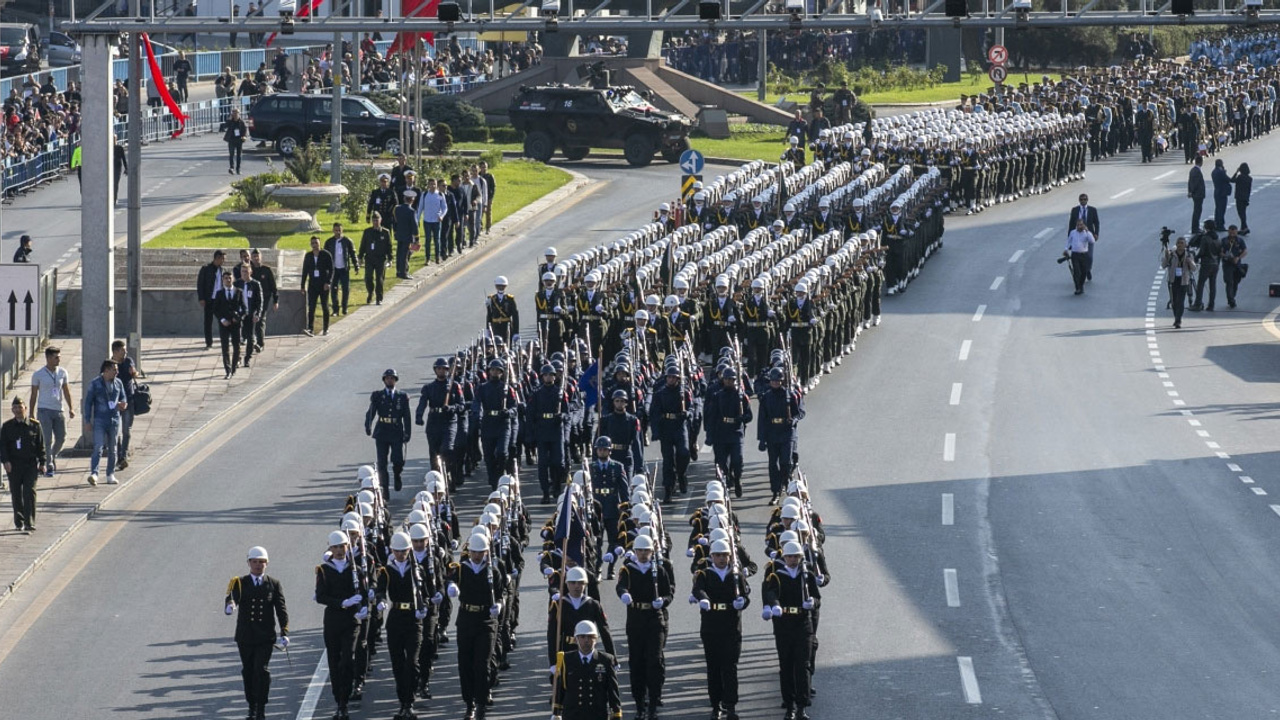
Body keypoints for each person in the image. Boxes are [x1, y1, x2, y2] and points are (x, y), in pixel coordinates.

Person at [446, 533, 509, 720]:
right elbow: (448, 579)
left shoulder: (493, 571)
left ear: (486, 552)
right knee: (465, 663)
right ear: (469, 551)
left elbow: (501, 592)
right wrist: (450, 586)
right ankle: (469, 703)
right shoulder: (461, 569)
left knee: (482, 664)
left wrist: (499, 604)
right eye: (474, 552)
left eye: (481, 552)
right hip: (466, 619)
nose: (477, 556)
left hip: (486, 621)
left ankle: (481, 702)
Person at [224, 546, 289, 720]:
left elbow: (280, 609)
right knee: (248, 671)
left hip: (265, 636)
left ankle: (261, 708)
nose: (258, 565)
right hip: (245, 636)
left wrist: (284, 631)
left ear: (267, 563)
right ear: (248, 563)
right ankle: (251, 706)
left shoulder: (273, 584)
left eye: (261, 562)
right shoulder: (240, 582)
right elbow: (231, 597)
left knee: (261, 670)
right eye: (254, 562)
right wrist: (230, 605)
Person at [614, 533, 675, 720]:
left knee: (654, 661)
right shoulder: (628, 570)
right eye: (639, 550)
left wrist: (663, 601)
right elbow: (621, 586)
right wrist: (623, 593)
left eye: (646, 550)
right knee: (637, 662)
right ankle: (640, 703)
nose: (642, 554)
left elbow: (669, 592)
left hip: (654, 618)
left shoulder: (659, 570)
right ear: (635, 551)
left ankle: (654, 702)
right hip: (636, 619)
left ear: (652, 551)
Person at [762, 542, 822, 720]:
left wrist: (812, 602)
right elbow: (770, 593)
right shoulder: (777, 576)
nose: (793, 560)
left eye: (796, 556)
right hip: (784, 624)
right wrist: (774, 605)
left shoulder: (807, 575)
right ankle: (789, 706)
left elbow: (817, 597)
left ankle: (802, 706)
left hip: (803, 623)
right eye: (790, 557)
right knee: (786, 666)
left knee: (802, 666)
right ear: (784, 558)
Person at [692, 538, 751, 720]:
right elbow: (697, 589)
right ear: (711, 556)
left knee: (730, 667)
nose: (722, 558)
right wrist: (703, 598)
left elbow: (745, 594)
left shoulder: (736, 575)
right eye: (718, 555)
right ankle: (716, 705)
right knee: (714, 668)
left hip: (731, 625)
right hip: (711, 625)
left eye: (725, 555)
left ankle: (730, 705)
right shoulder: (705, 574)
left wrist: (743, 602)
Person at [316, 530, 370, 720]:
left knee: (347, 660)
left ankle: (345, 699)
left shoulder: (357, 569)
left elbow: (364, 593)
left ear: (348, 547)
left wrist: (363, 607)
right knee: (334, 661)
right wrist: (341, 602)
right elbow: (321, 596)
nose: (340, 550)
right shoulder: (323, 570)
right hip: (333, 620)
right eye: (336, 547)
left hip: (351, 621)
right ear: (330, 548)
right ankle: (339, 702)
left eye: (343, 546)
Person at [374, 531, 428, 720]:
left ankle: (410, 700)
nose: (400, 554)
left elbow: (426, 592)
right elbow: (380, 590)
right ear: (392, 551)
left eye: (404, 551)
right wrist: (380, 601)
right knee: (398, 664)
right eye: (397, 551)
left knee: (412, 663)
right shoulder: (386, 571)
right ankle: (403, 703)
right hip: (396, 618)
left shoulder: (417, 569)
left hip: (414, 619)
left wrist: (425, 607)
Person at [552, 620, 623, 720]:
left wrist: (616, 713)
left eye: (590, 637)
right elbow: (560, 689)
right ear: (576, 639)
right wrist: (556, 712)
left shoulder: (606, 660)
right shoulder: (565, 659)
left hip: (596, 714)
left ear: (596, 639)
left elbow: (612, 690)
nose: (586, 640)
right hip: (572, 714)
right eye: (582, 637)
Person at [756, 368, 803, 504]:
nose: (775, 383)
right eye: (773, 381)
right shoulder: (766, 397)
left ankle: (785, 482)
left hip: (786, 432)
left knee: (785, 462)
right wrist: (761, 439)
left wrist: (793, 420)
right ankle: (775, 491)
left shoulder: (790, 396)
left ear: (782, 381)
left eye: (778, 381)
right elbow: (762, 420)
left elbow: (799, 413)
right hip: (772, 433)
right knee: (772, 465)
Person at [1, 397, 45, 533]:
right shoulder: (7, 427)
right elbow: (3, 447)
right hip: (14, 465)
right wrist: (5, 461)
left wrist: (43, 462)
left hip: (30, 464)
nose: (18, 410)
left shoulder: (35, 425)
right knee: (16, 494)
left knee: (29, 492)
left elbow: (41, 445)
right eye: (15, 408)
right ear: (12, 410)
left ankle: (29, 522)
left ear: (25, 409)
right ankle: (19, 521)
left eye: (20, 407)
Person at [365, 368, 412, 494]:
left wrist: (407, 433)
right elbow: (371, 412)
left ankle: (397, 475)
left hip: (396, 431)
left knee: (397, 460)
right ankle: (384, 488)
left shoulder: (402, 396)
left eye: (392, 378)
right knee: (382, 462)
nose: (389, 380)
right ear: (384, 380)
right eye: (387, 378)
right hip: (382, 431)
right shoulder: (378, 396)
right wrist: (368, 425)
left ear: (395, 380)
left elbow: (406, 416)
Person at [29, 346, 74, 478]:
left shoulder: (62, 372)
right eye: (56, 357)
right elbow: (33, 395)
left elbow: (66, 391)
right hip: (44, 410)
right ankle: (49, 465)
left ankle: (51, 456)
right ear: (48, 358)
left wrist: (71, 407)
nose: (59, 360)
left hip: (58, 410)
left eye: (59, 357)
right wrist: (31, 413)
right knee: (47, 439)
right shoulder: (38, 374)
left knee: (61, 437)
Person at [82, 359, 127, 486]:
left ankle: (110, 474)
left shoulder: (118, 383)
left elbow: (123, 397)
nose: (116, 372)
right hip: (100, 419)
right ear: (106, 370)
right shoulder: (95, 383)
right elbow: (88, 403)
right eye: (114, 369)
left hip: (114, 419)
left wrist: (123, 404)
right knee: (98, 447)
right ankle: (94, 473)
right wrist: (87, 420)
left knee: (113, 448)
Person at [212, 271, 246, 378]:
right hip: (224, 324)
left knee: (236, 346)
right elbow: (215, 309)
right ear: (222, 280)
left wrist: (239, 317)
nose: (228, 280)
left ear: (233, 279)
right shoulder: (219, 293)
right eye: (226, 278)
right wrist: (222, 319)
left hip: (235, 324)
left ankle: (234, 367)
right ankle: (227, 369)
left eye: (230, 278)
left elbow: (244, 308)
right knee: (225, 347)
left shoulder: (239, 291)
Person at [110, 340, 137, 469]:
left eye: (125, 350)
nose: (125, 352)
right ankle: (120, 456)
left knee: (126, 429)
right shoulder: (109, 365)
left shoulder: (128, 361)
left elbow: (134, 373)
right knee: (115, 430)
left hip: (128, 400)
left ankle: (123, 455)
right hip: (115, 402)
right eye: (122, 350)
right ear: (115, 352)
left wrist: (134, 372)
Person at [1162, 236, 1198, 329]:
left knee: (1180, 301)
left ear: (1185, 245)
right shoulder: (1171, 254)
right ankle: (1176, 316)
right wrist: (1166, 256)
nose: (1180, 245)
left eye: (1182, 243)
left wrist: (1190, 262)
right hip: (1172, 280)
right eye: (1178, 243)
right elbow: (1163, 265)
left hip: (1184, 281)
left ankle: (1178, 320)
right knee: (1174, 301)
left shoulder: (1189, 255)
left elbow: (1194, 268)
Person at [301, 236, 334, 336]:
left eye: (316, 243)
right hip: (312, 285)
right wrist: (302, 285)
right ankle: (310, 328)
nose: (315, 245)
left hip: (323, 284)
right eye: (313, 243)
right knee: (311, 307)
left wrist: (328, 282)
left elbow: (331, 270)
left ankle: (326, 328)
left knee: (325, 306)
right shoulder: (308, 256)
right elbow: (305, 271)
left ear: (320, 243)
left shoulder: (326, 254)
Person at [324, 222, 359, 316]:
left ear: (342, 230)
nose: (338, 232)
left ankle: (344, 307)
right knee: (334, 289)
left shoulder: (347, 241)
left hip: (344, 269)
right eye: (336, 230)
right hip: (334, 270)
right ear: (333, 230)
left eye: (339, 230)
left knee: (345, 289)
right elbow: (325, 257)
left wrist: (356, 266)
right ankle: (335, 309)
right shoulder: (329, 242)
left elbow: (353, 254)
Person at [359, 212, 392, 305]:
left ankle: (379, 298)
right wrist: (360, 257)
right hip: (369, 258)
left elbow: (389, 246)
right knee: (368, 277)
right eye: (374, 221)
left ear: (380, 220)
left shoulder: (385, 232)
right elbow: (363, 245)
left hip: (381, 259)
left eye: (377, 220)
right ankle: (370, 292)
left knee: (379, 279)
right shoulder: (367, 232)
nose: (375, 222)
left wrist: (390, 259)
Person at [1067, 193, 1100, 282]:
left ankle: (1088, 269)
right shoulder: (1075, 210)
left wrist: (1096, 233)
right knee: (1079, 255)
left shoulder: (1092, 210)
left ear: (1087, 200)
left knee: (1089, 256)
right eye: (1081, 199)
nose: (1083, 201)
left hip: (1089, 236)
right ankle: (1082, 272)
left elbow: (1096, 223)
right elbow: (1071, 225)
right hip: (1078, 236)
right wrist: (1069, 239)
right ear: (1079, 201)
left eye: (1085, 199)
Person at [1190, 220, 1222, 312]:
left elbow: (1202, 251)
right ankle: (1211, 305)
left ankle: (1198, 303)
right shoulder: (1217, 238)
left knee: (1201, 284)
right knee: (1213, 285)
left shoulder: (1205, 238)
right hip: (1215, 264)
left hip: (1206, 263)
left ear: (1206, 227)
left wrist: (1195, 258)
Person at [198, 250, 227, 349]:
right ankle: (208, 343)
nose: (223, 261)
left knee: (222, 320)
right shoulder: (206, 269)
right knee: (208, 322)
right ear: (217, 258)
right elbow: (200, 284)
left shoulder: (222, 270)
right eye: (222, 259)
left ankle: (224, 340)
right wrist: (201, 298)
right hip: (209, 299)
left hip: (219, 300)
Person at [249, 250, 278, 351]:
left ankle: (260, 344)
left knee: (260, 319)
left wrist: (275, 300)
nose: (256, 258)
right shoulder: (249, 270)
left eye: (257, 256)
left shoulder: (266, 270)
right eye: (254, 256)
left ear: (261, 257)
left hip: (264, 299)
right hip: (252, 299)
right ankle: (250, 340)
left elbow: (273, 286)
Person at [1064, 218, 1097, 295]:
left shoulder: (1086, 233)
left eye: (1081, 225)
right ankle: (1077, 288)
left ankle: (1081, 285)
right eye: (1078, 225)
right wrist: (1066, 249)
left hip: (1084, 255)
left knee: (1084, 272)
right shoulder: (1073, 233)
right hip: (1075, 254)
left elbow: (1092, 241)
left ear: (1084, 225)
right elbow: (1068, 241)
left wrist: (1087, 231)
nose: (1079, 226)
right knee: (1076, 272)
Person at [485, 276, 520, 345]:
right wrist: (488, 329)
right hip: (495, 327)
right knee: (495, 345)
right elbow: (489, 315)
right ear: (496, 286)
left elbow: (515, 316)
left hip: (506, 326)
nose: (500, 287)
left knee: (507, 345)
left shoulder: (510, 299)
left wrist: (516, 332)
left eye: (502, 286)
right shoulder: (491, 299)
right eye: (499, 286)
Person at [393, 190, 419, 280]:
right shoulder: (411, 211)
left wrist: (395, 232)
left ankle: (398, 271)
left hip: (399, 234)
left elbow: (394, 222)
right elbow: (414, 226)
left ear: (404, 198)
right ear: (412, 200)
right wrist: (417, 238)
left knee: (399, 253)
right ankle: (404, 272)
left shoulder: (397, 208)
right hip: (408, 236)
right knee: (405, 254)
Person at [1221, 225, 1248, 309]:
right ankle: (1231, 299)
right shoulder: (1224, 241)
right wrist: (1227, 257)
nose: (1232, 233)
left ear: (1237, 232)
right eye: (1230, 231)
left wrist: (1238, 257)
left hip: (1237, 264)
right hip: (1227, 264)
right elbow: (1220, 252)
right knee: (1229, 282)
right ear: (1228, 231)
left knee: (1236, 282)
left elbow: (1245, 251)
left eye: (1234, 231)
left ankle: (1232, 296)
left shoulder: (1240, 240)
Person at [221, 108, 248, 174]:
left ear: (239, 114)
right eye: (234, 113)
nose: (235, 115)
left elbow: (245, 131)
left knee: (239, 155)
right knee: (231, 154)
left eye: (236, 113)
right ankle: (231, 168)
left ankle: (238, 169)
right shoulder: (230, 121)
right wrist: (229, 120)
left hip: (239, 140)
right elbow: (223, 127)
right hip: (231, 140)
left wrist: (244, 136)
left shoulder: (241, 122)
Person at [1230, 162, 1252, 235]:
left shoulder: (1240, 177)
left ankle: (1245, 227)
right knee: (1243, 213)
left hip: (1239, 197)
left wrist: (1236, 172)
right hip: (1245, 197)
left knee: (1240, 213)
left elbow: (1232, 180)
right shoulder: (1249, 178)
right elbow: (1249, 189)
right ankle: (1243, 228)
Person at [1187, 155, 1206, 235]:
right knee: (1197, 211)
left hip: (1196, 194)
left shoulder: (1192, 170)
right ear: (1201, 162)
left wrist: (1189, 191)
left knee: (1197, 211)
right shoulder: (1197, 171)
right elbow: (1195, 183)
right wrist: (1192, 191)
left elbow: (1189, 182)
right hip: (1198, 194)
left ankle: (1195, 227)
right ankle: (1195, 228)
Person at [480, 161, 496, 234]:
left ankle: (488, 227)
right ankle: (480, 227)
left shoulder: (490, 176)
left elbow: (493, 187)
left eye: (485, 167)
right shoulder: (478, 176)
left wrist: (491, 197)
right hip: (480, 197)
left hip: (488, 197)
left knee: (488, 213)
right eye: (482, 167)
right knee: (480, 213)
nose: (484, 169)